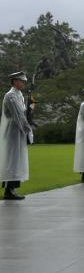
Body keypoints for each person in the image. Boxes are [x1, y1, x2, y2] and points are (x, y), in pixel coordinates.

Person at [0, 71, 33, 200]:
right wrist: (28, 130)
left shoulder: (19, 95)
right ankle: (8, 189)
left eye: (24, 81)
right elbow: (18, 115)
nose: (23, 83)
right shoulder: (11, 96)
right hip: (12, 131)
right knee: (12, 160)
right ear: (14, 81)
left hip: (18, 131)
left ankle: (12, 188)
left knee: (17, 159)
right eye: (21, 81)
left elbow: (23, 114)